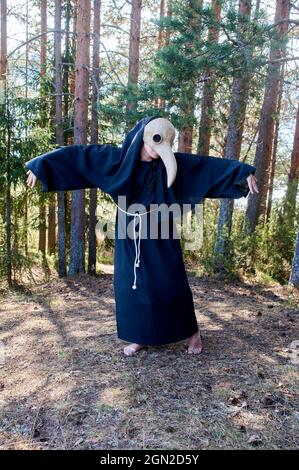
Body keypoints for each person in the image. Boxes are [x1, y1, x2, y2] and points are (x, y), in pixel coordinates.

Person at [25, 116, 259, 356]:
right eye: (157, 141)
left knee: (171, 281)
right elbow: (78, 157)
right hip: (128, 230)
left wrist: (242, 173)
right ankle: (140, 336)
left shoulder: (173, 164)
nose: (161, 149)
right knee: (131, 284)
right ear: (142, 138)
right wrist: (41, 166)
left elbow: (207, 168)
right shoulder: (117, 160)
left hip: (161, 227)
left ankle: (192, 333)